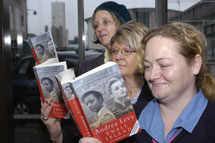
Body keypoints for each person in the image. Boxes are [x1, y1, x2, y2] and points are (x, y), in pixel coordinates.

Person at [80, 22, 215, 143]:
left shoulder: (210, 123)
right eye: (148, 66)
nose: (152, 76)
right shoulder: (127, 119)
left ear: (195, 64)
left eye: (164, 65)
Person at [79, 1, 132, 75]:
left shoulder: (141, 63)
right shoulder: (87, 68)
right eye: (96, 25)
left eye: (106, 22)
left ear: (122, 24)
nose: (99, 29)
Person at [109, 21, 153, 105]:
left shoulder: (155, 93)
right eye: (114, 51)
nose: (117, 57)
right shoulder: (109, 95)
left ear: (143, 53)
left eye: (126, 51)